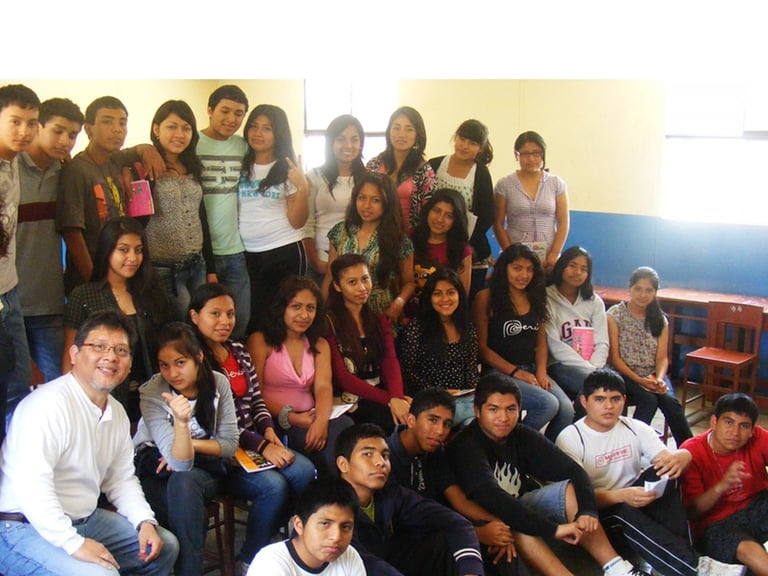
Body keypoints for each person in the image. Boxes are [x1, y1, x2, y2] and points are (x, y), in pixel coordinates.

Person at [0, 310, 179, 575]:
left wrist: (144, 521)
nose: (111, 356)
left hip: (83, 520)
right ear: (74, 354)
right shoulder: (46, 406)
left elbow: (120, 479)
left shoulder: (116, 412)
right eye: (99, 346)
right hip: (22, 527)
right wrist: (74, 544)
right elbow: (32, 488)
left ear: (129, 364)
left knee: (164, 547)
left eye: (121, 350)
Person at [447, 373, 650, 576]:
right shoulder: (466, 445)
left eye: (511, 409)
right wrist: (553, 530)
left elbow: (574, 471)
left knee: (567, 491)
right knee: (519, 524)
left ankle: (616, 567)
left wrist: (588, 511)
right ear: (478, 411)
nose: (503, 417)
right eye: (494, 409)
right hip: (484, 520)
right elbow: (491, 496)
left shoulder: (521, 434)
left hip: (517, 508)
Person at [556, 368, 742, 576]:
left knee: (668, 472)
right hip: (598, 516)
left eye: (615, 399)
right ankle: (695, 568)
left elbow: (666, 460)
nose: (608, 406)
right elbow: (575, 498)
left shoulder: (635, 427)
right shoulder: (571, 438)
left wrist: (683, 456)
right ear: (584, 401)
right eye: (599, 399)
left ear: (624, 400)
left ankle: (676, 560)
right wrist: (621, 495)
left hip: (635, 500)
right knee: (622, 511)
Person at [187, 282, 316, 569]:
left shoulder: (238, 351)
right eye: (215, 314)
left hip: (255, 442)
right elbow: (217, 421)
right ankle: (251, 559)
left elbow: (256, 398)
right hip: (222, 455)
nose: (225, 321)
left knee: (305, 472)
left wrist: (268, 429)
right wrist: (263, 445)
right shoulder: (194, 360)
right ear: (195, 316)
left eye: (230, 314)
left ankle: (279, 545)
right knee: (274, 487)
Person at [133, 322, 239, 576]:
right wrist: (181, 424)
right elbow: (178, 463)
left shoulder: (218, 383)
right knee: (186, 501)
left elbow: (228, 445)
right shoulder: (152, 392)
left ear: (199, 357)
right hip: (155, 469)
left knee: (184, 488)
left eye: (180, 363)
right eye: (164, 365)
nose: (172, 373)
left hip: (203, 467)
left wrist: (188, 444)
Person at [387, 389, 520, 576]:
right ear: (411, 420)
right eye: (433, 420)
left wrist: (497, 524)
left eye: (447, 424)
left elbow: (459, 500)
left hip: (445, 526)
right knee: (450, 545)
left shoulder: (435, 451)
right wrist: (475, 533)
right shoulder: (385, 459)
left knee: (501, 540)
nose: (440, 431)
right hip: (410, 543)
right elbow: (406, 525)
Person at [335, 423, 484, 576]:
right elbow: (367, 565)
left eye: (385, 456)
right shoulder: (330, 508)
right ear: (343, 464)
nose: (380, 462)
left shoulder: (392, 493)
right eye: (368, 454)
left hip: (389, 567)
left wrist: (471, 572)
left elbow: (456, 523)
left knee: (440, 539)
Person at [63, 216, 170, 423]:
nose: (133, 258)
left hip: (151, 397)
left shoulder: (152, 292)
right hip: (101, 399)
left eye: (138, 250)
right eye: (123, 250)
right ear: (107, 251)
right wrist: (75, 403)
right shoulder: (83, 296)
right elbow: (70, 358)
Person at [56, 95, 166, 294]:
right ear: (89, 129)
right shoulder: (77, 171)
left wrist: (148, 149)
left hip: (120, 274)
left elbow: (136, 151)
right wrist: (95, 285)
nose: (117, 129)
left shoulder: (115, 160)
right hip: (91, 280)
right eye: (107, 122)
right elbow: (72, 233)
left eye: (122, 123)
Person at [248, 275, 353, 477]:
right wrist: (291, 417)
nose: (304, 315)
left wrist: (321, 421)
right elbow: (255, 393)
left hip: (311, 416)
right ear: (282, 308)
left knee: (346, 429)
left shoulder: (320, 344)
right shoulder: (260, 340)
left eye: (310, 308)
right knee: (329, 449)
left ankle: (346, 488)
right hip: (274, 420)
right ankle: (336, 489)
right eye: (296, 307)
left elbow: (323, 387)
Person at [472, 243, 573, 441]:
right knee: (548, 404)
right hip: (499, 372)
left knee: (566, 409)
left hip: (532, 369)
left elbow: (541, 343)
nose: (524, 275)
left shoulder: (536, 297)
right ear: (505, 268)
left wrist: (541, 371)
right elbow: (482, 349)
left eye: (529, 269)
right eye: (517, 268)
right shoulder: (486, 298)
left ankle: (545, 449)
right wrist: (516, 372)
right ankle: (509, 446)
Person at [17, 98, 83, 384]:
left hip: (50, 302)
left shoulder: (67, 174)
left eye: (72, 135)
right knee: (14, 387)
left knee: (58, 384)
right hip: (10, 303)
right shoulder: (10, 168)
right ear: (38, 126)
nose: (65, 141)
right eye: (58, 131)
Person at [238, 104, 309, 333]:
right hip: (248, 254)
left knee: (284, 318)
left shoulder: (287, 168)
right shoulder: (240, 164)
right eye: (254, 126)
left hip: (283, 250)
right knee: (255, 319)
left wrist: (302, 188)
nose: (258, 133)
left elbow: (298, 221)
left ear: (278, 133)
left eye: (267, 128)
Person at [680, 393, 768, 575]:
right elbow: (691, 512)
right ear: (714, 422)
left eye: (744, 426)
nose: (735, 432)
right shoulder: (692, 451)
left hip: (757, 505)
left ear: (752, 430)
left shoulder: (758, 437)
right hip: (716, 523)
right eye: (728, 422)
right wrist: (722, 485)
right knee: (748, 549)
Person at [325, 253, 410, 433]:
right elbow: (343, 378)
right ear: (337, 286)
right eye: (352, 282)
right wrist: (390, 400)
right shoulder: (329, 322)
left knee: (413, 415)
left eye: (365, 279)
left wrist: (398, 397)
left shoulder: (378, 320)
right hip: (349, 401)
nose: (362, 287)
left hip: (381, 395)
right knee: (395, 424)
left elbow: (390, 361)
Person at [606, 266, 692, 446]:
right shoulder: (615, 314)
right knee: (648, 400)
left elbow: (662, 358)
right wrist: (640, 380)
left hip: (652, 375)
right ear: (629, 288)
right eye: (638, 289)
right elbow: (615, 359)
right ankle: (630, 446)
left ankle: (691, 451)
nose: (643, 295)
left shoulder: (660, 319)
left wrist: (659, 379)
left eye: (649, 290)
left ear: (655, 292)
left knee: (671, 404)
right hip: (623, 374)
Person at [144, 100, 213, 321]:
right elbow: (137, 221)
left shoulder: (192, 166)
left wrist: (211, 267)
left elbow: (201, 218)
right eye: (172, 127)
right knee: (183, 324)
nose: (180, 134)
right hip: (165, 270)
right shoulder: (144, 166)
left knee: (202, 324)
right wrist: (143, 149)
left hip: (197, 264)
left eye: (186, 128)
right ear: (156, 129)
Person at [324, 171, 415, 327]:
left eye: (375, 200)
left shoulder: (399, 241)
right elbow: (330, 276)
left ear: (387, 203)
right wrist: (324, 310)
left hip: (381, 313)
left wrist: (398, 303)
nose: (366, 206)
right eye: (362, 198)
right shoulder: (340, 231)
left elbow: (409, 283)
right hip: (343, 309)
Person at [0, 83, 39, 436]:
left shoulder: (14, 161)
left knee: (17, 386)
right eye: (15, 121)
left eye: (31, 123)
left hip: (9, 291)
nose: (24, 131)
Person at [197, 84, 250, 340]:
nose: (232, 119)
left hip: (235, 250)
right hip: (201, 253)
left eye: (239, 114)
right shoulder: (192, 143)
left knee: (240, 321)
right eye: (225, 111)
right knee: (203, 326)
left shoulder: (243, 146)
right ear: (210, 110)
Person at [397, 268, 479, 426]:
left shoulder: (467, 327)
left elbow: (471, 370)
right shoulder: (416, 328)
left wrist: (472, 391)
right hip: (429, 400)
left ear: (459, 295)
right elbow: (407, 372)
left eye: (451, 293)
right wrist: (439, 392)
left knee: (474, 421)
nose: (445, 299)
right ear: (429, 297)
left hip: (462, 399)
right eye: (437, 294)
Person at [428, 119, 495, 299]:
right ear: (455, 138)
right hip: (433, 245)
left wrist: (459, 240)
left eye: (472, 143)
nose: (465, 146)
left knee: (467, 303)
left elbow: (487, 215)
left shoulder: (481, 173)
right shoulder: (434, 165)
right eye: (462, 139)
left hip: (468, 248)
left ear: (480, 148)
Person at [247, 476, 366, 576]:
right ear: (299, 525)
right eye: (325, 524)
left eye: (345, 527)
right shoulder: (270, 564)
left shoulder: (349, 556)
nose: (336, 537)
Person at [493, 130, 569, 275]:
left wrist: (554, 253)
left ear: (543, 154)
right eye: (525, 154)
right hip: (515, 257)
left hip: (548, 259)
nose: (531, 159)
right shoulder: (504, 185)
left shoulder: (556, 183)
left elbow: (563, 222)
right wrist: (511, 254)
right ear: (516, 155)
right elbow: (498, 224)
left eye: (536, 153)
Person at [303, 114, 366, 284]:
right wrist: (314, 261)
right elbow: (307, 224)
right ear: (330, 142)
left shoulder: (368, 178)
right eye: (340, 139)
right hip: (322, 258)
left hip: (358, 260)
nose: (348, 146)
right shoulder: (314, 176)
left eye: (354, 139)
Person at [545, 246, 608, 407]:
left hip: (593, 364)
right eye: (572, 265)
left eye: (584, 269)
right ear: (562, 266)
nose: (577, 272)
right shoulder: (547, 297)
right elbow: (554, 345)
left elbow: (602, 341)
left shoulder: (594, 301)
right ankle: (579, 424)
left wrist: (595, 367)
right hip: (559, 364)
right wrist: (589, 369)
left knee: (614, 384)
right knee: (593, 387)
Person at [366, 106, 436, 234]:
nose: (402, 134)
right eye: (396, 128)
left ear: (417, 134)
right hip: (373, 235)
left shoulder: (424, 171)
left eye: (409, 129)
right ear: (389, 131)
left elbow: (429, 212)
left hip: (409, 237)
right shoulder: (374, 165)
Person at [407, 188, 472, 317]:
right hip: (409, 315)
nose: (440, 219)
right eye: (436, 211)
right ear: (428, 211)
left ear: (456, 221)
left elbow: (462, 295)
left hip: (442, 317)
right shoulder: (409, 241)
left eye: (449, 216)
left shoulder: (462, 250)